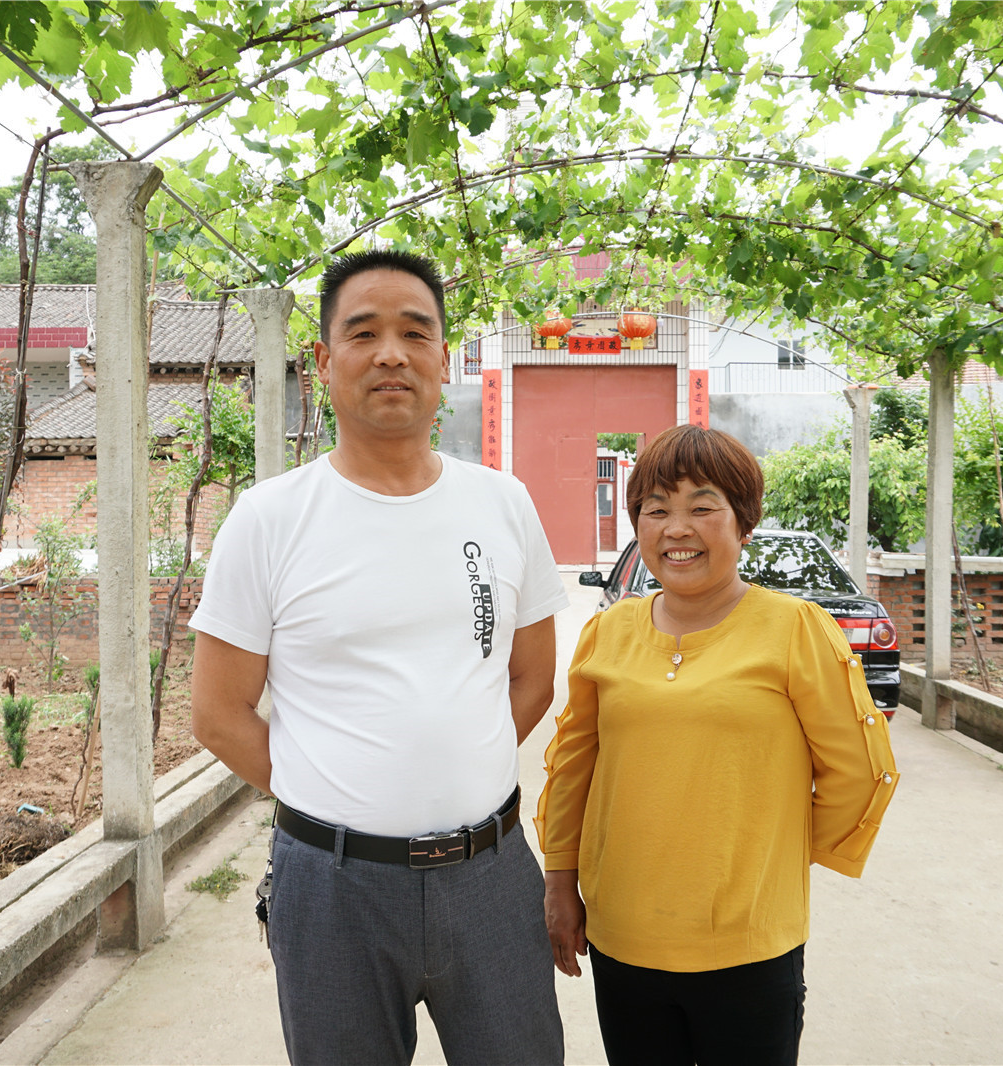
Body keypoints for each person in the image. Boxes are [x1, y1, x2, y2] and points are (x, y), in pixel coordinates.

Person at [189, 249, 568, 1066]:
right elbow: (218, 713)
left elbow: (534, 676)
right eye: (363, 333)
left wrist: (460, 758)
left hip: (493, 876)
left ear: (443, 358)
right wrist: (333, 790)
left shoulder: (503, 504)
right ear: (324, 363)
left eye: (414, 332)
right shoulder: (270, 519)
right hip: (332, 890)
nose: (391, 352)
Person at [536, 423, 899, 1066]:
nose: (677, 528)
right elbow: (573, 769)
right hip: (625, 939)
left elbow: (857, 770)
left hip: (751, 949)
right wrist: (560, 882)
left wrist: (765, 854)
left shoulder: (793, 629)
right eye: (656, 510)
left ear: (743, 523)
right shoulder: (608, 632)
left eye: (703, 507)